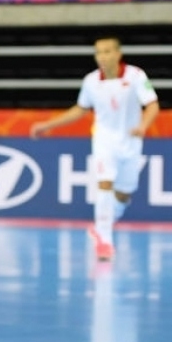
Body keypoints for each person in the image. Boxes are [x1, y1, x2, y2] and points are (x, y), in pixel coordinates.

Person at [30, 37, 159, 261]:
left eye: (108, 51)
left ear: (118, 54)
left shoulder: (136, 76)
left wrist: (143, 126)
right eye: (98, 52)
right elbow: (79, 110)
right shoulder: (90, 81)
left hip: (131, 141)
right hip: (104, 140)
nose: (103, 56)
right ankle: (105, 241)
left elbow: (153, 105)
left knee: (124, 192)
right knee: (105, 183)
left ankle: (101, 227)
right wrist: (47, 125)